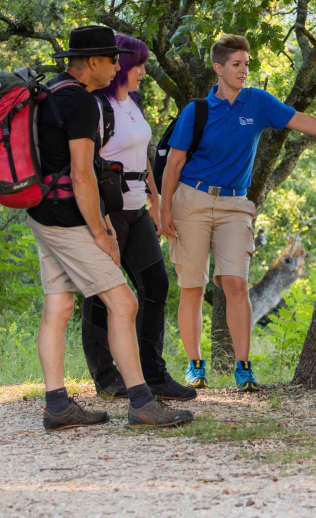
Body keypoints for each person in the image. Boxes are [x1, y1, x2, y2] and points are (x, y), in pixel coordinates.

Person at [159, 33, 316, 392]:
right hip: (191, 201)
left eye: (247, 64)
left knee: (235, 283)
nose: (243, 70)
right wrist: (163, 212)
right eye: (236, 64)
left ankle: (243, 367)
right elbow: (173, 164)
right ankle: (194, 366)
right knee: (193, 285)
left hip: (236, 205)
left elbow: (300, 120)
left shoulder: (257, 102)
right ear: (218, 68)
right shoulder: (197, 110)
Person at [28, 25, 193, 430]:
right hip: (67, 220)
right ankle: (141, 402)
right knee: (124, 303)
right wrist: (100, 232)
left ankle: (57, 406)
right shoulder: (82, 103)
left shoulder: (49, 93)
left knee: (59, 306)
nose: (117, 66)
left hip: (40, 211)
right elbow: (83, 175)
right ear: (92, 63)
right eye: (112, 59)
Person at [80, 33, 196, 401]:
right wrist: (101, 220)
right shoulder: (96, 106)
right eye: (139, 64)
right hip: (109, 212)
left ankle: (154, 373)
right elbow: (86, 164)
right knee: (102, 293)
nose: (144, 71)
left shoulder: (131, 103)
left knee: (156, 285)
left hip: (137, 209)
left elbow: (140, 152)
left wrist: (155, 198)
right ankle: (106, 376)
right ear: (122, 66)